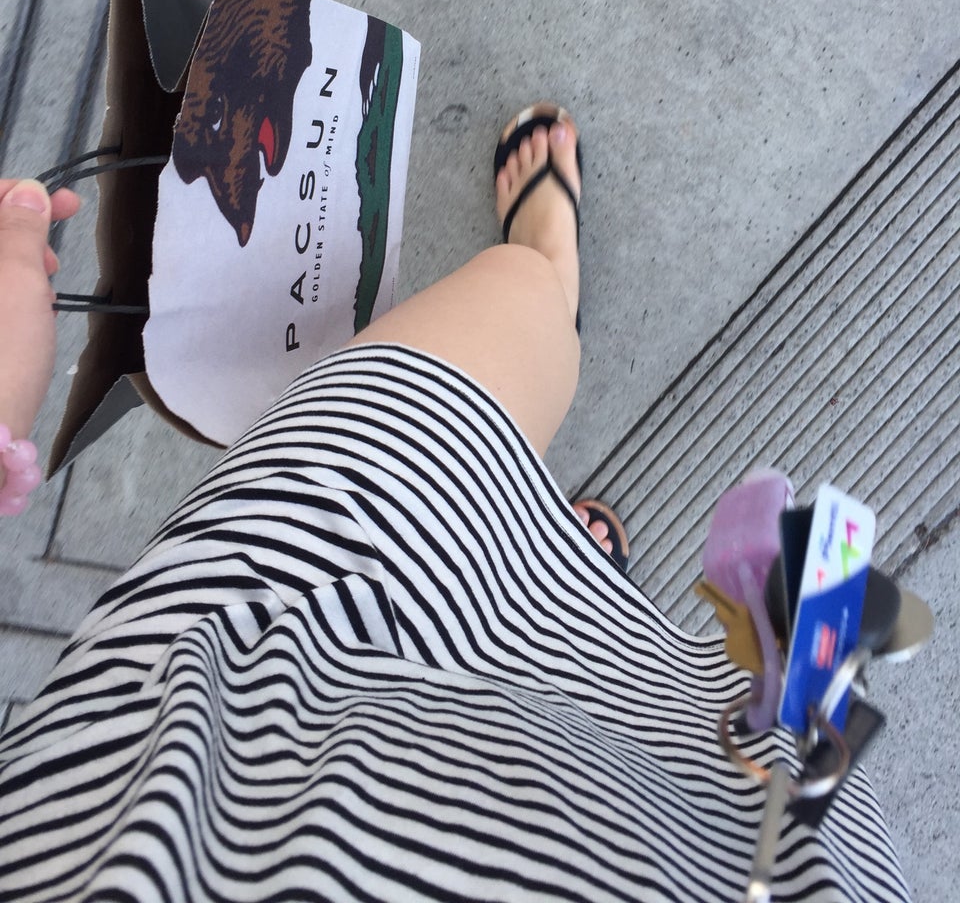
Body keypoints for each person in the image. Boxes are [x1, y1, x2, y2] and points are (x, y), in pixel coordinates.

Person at [0, 108, 909, 901]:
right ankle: (553, 539)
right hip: (677, 836)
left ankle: (539, 546)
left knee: (488, 365)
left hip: (210, 712)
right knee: (517, 312)